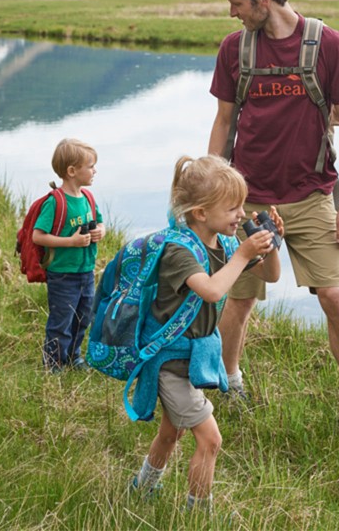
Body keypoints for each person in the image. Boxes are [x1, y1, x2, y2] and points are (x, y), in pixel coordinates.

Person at [206, 0, 339, 444]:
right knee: (238, 299)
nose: (231, 10)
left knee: (333, 295)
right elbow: (224, 123)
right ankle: (230, 386)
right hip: (247, 199)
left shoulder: (328, 45)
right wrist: (214, 195)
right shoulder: (234, 50)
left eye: (237, 1)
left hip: (311, 195)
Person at [130, 155, 281, 512]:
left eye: (242, 206)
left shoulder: (224, 245)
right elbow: (212, 291)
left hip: (191, 360)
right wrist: (244, 254)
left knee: (171, 433)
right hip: (169, 361)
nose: (241, 215)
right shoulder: (179, 252)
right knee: (210, 439)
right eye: (232, 208)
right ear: (200, 212)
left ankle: (141, 488)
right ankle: (198, 513)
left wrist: (272, 244)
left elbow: (270, 276)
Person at [32, 138, 105, 372]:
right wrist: (70, 242)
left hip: (86, 271)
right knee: (61, 319)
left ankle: (74, 356)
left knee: (83, 317)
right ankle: (53, 362)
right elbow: (38, 236)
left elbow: (101, 223)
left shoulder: (87, 199)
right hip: (63, 274)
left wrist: (100, 231)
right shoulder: (56, 202)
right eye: (90, 166)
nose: (95, 171)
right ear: (72, 171)